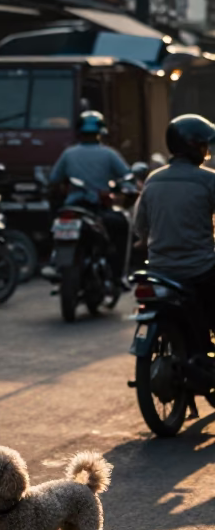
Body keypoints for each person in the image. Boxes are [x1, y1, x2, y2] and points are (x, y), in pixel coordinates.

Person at [134, 113, 215, 359]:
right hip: (200, 269)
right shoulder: (209, 180)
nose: (206, 152)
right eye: (204, 146)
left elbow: (140, 227)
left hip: (159, 270)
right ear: (195, 147)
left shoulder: (152, 180)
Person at [49, 110, 131, 281]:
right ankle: (118, 275)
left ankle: (54, 263)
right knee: (122, 225)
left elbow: (54, 178)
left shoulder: (68, 153)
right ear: (101, 132)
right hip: (97, 209)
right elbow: (126, 178)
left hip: (72, 207)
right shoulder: (109, 153)